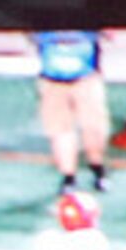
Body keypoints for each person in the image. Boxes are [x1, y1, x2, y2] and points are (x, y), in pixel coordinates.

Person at [31, 30, 110, 194]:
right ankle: (69, 177)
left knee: (93, 128)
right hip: (52, 80)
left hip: (86, 79)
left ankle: (98, 169)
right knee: (60, 130)